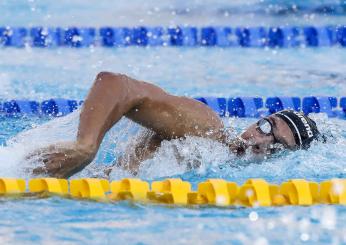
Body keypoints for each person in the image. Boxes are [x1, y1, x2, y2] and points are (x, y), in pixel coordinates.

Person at [28, 72, 320, 178]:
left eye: (277, 147)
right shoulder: (206, 129)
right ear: (259, 120)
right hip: (51, 174)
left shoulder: (222, 173)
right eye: (267, 128)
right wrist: (86, 146)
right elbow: (116, 84)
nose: (260, 141)